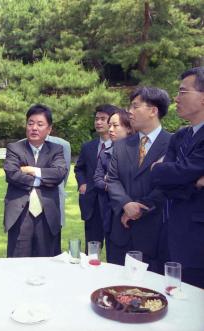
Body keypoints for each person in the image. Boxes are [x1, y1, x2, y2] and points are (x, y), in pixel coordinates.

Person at [107, 86, 171, 272]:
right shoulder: (121, 145)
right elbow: (112, 179)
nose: (129, 112)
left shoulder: (173, 144)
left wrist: (140, 208)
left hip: (155, 231)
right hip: (121, 231)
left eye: (135, 106)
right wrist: (126, 204)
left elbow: (168, 184)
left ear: (153, 111)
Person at [151, 67, 204, 288]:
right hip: (168, 231)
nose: (176, 98)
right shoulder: (181, 135)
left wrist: (173, 174)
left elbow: (178, 172)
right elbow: (159, 177)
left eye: (183, 92)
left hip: (197, 239)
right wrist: (195, 182)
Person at [3, 104, 67, 257]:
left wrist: (32, 170)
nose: (34, 128)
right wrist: (44, 178)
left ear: (49, 129)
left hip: (47, 215)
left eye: (40, 124)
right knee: (18, 263)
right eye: (30, 123)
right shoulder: (15, 148)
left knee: (47, 262)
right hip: (20, 214)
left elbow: (59, 174)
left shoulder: (56, 150)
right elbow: (12, 174)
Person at [75, 104, 117, 252]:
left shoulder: (122, 146)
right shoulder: (88, 147)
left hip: (113, 203)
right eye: (96, 119)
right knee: (92, 248)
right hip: (91, 203)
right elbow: (79, 168)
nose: (98, 122)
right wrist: (82, 183)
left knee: (115, 248)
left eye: (103, 119)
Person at [93, 109, 132, 262]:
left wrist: (111, 180)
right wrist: (111, 185)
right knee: (113, 258)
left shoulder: (138, 151)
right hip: (110, 211)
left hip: (132, 212)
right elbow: (97, 179)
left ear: (128, 128)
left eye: (115, 126)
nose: (110, 129)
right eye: (110, 125)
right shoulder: (106, 152)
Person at [46, 135, 71, 227]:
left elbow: (65, 171)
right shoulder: (20, 145)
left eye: (40, 124)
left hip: (55, 197)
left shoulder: (63, 144)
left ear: (49, 127)